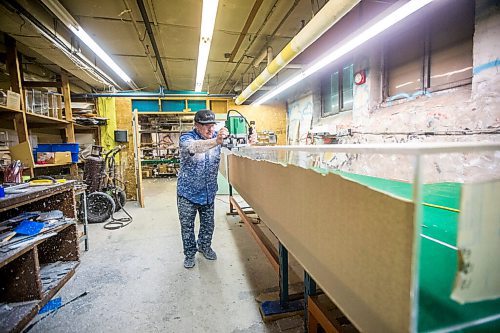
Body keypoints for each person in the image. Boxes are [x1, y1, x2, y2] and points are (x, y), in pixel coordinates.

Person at [177, 109, 229, 269]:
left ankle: (204, 246)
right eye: (206, 126)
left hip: (208, 193)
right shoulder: (187, 139)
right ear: (196, 125)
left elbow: (236, 146)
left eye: (212, 126)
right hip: (188, 193)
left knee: (208, 225)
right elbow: (195, 147)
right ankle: (189, 254)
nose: (210, 130)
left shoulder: (216, 138)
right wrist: (216, 141)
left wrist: (249, 138)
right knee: (187, 227)